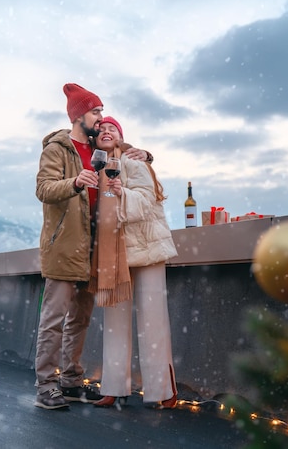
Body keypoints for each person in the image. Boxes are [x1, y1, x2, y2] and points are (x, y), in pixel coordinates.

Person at [34, 85, 154, 410]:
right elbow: (43, 188)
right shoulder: (58, 148)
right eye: (96, 112)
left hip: (92, 248)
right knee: (54, 318)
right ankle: (45, 388)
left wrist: (145, 154)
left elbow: (120, 145)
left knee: (80, 320)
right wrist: (74, 183)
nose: (101, 119)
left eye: (101, 112)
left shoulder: (93, 145)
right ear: (78, 115)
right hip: (64, 244)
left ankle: (70, 382)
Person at [88, 116, 179, 410]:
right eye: (101, 129)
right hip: (114, 254)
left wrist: (121, 192)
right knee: (114, 323)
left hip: (147, 249)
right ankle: (114, 387)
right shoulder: (95, 167)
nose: (106, 131)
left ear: (121, 136)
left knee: (153, 320)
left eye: (112, 128)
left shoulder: (136, 162)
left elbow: (147, 200)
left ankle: (163, 390)